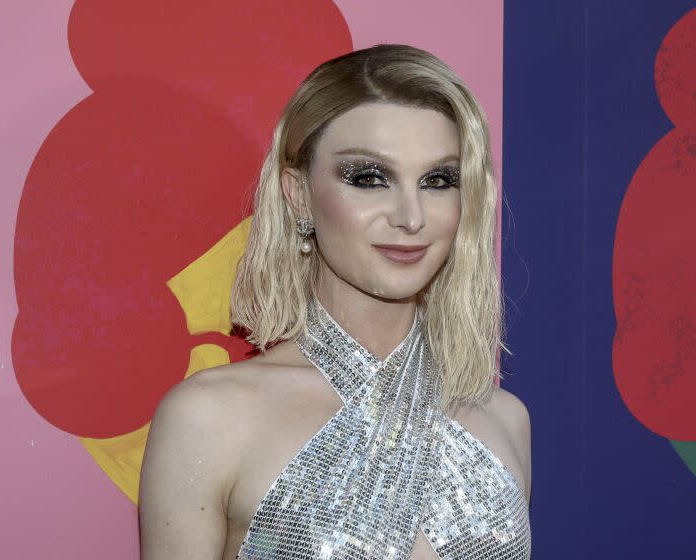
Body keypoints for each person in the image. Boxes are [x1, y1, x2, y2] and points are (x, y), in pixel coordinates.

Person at [138, 43, 532, 559]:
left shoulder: (504, 419)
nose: (411, 217)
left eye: (438, 180)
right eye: (369, 178)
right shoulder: (208, 418)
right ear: (299, 194)